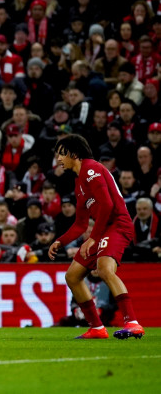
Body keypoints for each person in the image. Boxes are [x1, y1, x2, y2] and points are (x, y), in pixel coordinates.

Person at [47, 134, 144, 340]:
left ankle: (132, 323)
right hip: (103, 229)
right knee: (72, 276)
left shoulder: (91, 169)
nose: (58, 159)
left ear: (74, 154)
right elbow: (81, 224)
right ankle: (97, 328)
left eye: (61, 153)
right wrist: (60, 241)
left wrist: (93, 238)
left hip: (118, 225)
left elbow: (108, 205)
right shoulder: (79, 182)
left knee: (104, 269)